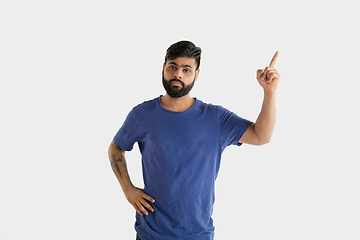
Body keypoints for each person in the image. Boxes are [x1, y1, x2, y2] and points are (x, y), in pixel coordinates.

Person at [108, 40, 280, 240]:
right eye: (173, 67)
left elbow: (262, 136)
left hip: (197, 235)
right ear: (163, 69)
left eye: (186, 69)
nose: (178, 74)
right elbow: (116, 147)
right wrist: (128, 189)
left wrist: (269, 92)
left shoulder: (215, 118)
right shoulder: (141, 115)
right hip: (150, 235)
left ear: (196, 75)